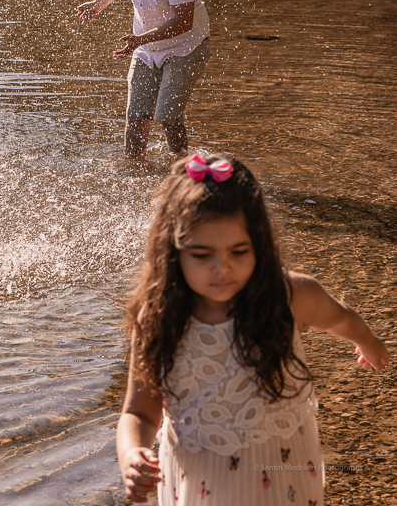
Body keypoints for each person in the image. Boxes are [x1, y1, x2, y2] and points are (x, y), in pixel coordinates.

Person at [117, 153, 389, 504]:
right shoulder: (159, 317)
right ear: (173, 251)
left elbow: (339, 317)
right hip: (200, 478)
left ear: (258, 245)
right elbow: (139, 411)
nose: (221, 268)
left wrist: (368, 341)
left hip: (284, 473)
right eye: (201, 255)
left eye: (239, 251)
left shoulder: (287, 297)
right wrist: (132, 453)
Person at [77, 0, 211, 158]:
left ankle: (182, 172)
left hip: (185, 46)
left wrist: (140, 39)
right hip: (145, 47)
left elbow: (184, 22)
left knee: (168, 116)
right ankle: (134, 171)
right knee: (136, 114)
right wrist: (98, 4)